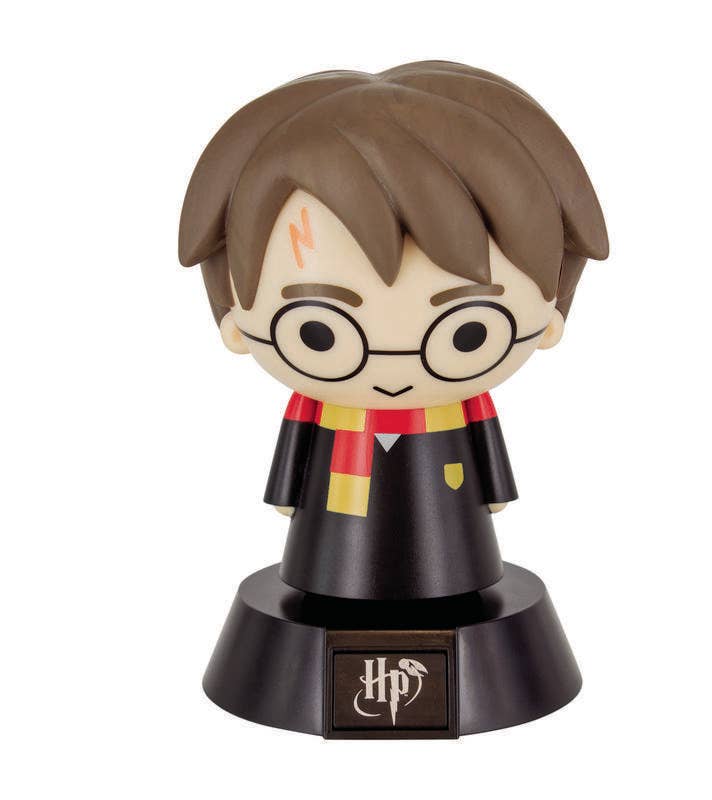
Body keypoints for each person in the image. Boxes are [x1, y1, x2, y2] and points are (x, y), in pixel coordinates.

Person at [178, 61, 608, 600]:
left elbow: (486, 446)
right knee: (332, 561)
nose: (393, 366)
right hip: (325, 553)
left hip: (458, 546)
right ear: (235, 320)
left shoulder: (462, 404)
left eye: (469, 331)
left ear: (551, 314)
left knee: (453, 558)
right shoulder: (321, 405)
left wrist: (495, 489)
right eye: (318, 331)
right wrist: (288, 492)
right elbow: (296, 446)